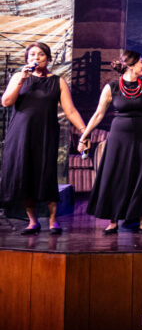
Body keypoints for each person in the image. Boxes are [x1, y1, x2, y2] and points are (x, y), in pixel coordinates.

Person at [1, 42, 86, 234]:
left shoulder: (58, 81)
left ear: (47, 58)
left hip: (46, 132)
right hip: (20, 133)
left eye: (40, 55)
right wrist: (22, 80)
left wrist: (84, 130)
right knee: (25, 174)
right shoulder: (18, 77)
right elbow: (6, 102)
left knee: (47, 173)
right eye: (32, 55)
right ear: (27, 59)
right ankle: (32, 221)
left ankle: (53, 220)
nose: (36, 58)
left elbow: (70, 110)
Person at [81, 51, 142, 233]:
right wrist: (84, 135)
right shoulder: (112, 87)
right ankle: (113, 219)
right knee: (115, 174)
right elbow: (98, 114)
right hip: (119, 137)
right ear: (131, 65)